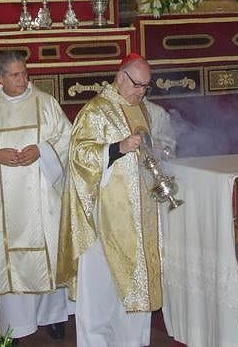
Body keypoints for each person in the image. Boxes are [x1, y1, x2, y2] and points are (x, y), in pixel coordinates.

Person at [0, 50, 73, 341]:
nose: (22, 79)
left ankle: (53, 317)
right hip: (2, 201)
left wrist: (42, 150)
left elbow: (66, 137)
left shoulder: (45, 104)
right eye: (14, 75)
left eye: (24, 72)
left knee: (48, 256)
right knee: (9, 263)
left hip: (43, 196)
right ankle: (16, 327)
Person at [58, 55, 168, 346]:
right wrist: (117, 148)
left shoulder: (141, 108)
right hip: (104, 221)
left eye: (146, 86)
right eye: (137, 84)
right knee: (100, 295)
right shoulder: (96, 111)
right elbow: (79, 156)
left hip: (140, 218)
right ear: (120, 77)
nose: (141, 92)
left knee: (135, 292)